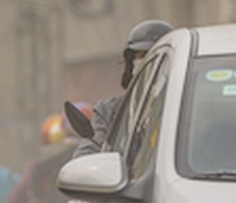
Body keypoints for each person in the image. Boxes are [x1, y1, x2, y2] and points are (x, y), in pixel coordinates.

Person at [74, 20, 174, 157]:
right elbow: (87, 155)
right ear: (131, 62)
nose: (151, 64)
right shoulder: (109, 111)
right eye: (144, 56)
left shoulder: (184, 108)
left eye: (158, 57)